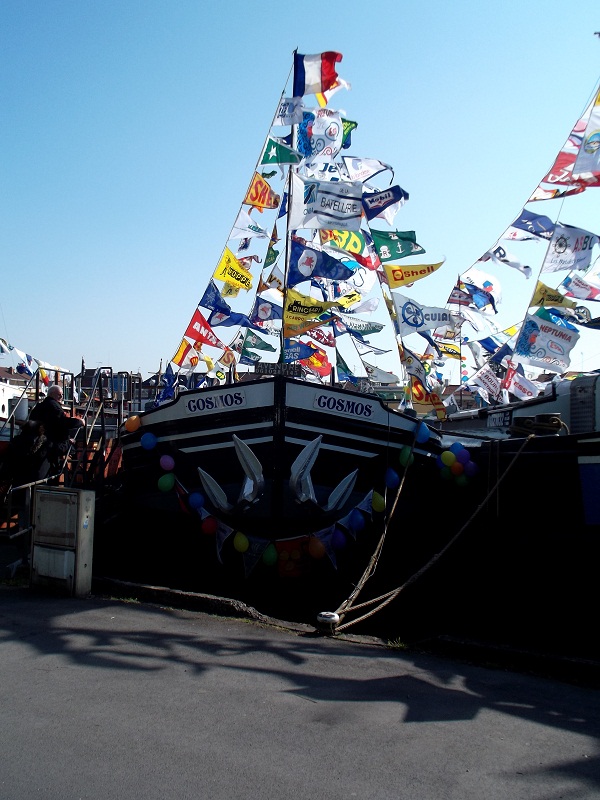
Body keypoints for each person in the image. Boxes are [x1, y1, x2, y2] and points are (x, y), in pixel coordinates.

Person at [28, 385, 84, 476]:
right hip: (50, 444)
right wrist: (79, 422)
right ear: (51, 394)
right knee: (70, 449)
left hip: (39, 441)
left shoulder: (39, 406)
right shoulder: (53, 406)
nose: (61, 397)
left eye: (62, 394)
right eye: (59, 394)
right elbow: (62, 422)